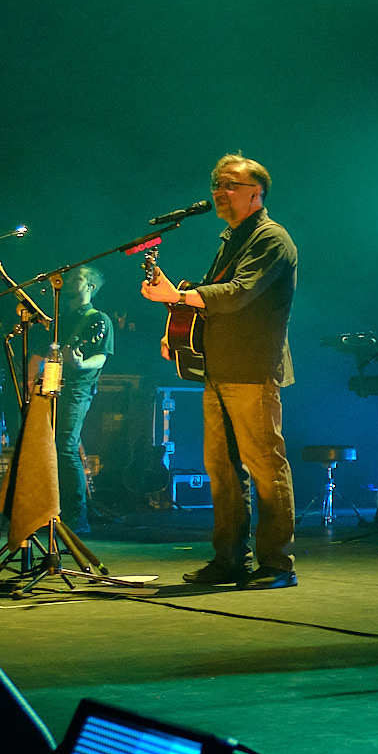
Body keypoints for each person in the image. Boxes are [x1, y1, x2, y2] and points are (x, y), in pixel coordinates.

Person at [140, 153, 301, 589]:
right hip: (220, 369)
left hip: (252, 370)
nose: (219, 192)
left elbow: (238, 293)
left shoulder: (272, 238)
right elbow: (213, 301)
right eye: (216, 184)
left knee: (266, 467)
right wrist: (178, 325)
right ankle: (229, 559)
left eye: (230, 184)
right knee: (224, 471)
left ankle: (277, 564)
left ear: (257, 193)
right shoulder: (231, 239)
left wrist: (180, 297)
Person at [52, 264, 114, 534]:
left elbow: (102, 356)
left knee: (66, 447)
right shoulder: (60, 316)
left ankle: (77, 520)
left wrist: (80, 364)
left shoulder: (98, 319)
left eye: (76, 278)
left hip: (77, 388)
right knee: (52, 449)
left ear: (90, 286)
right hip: (51, 387)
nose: (68, 281)